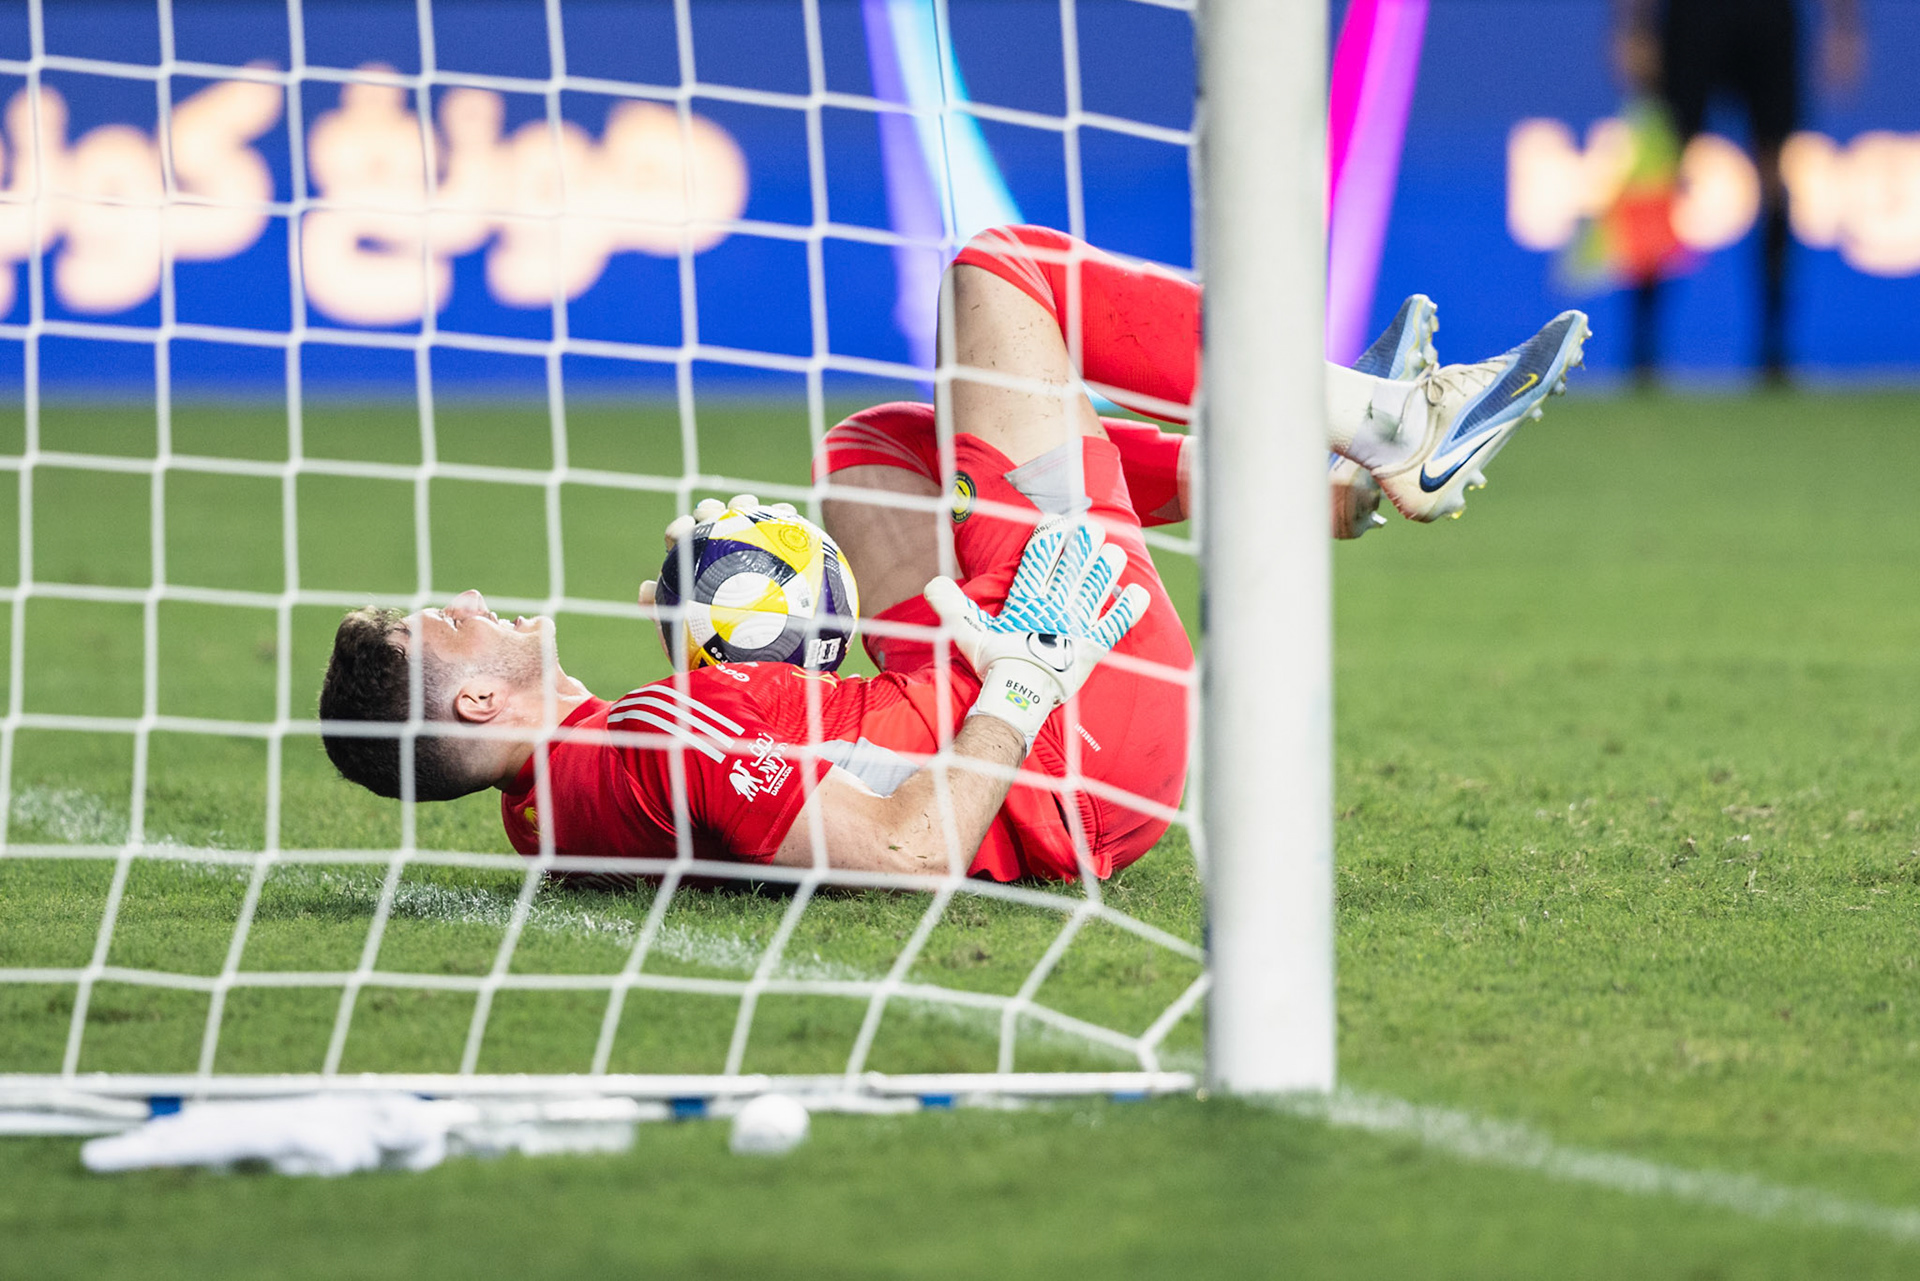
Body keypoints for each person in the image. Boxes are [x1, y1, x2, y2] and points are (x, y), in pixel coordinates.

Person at [318, 225, 1588, 882]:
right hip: (1073, 722)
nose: (468, 598)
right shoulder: (657, 744)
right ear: (476, 699)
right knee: (1001, 275)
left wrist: (723, 651)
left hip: (989, 700)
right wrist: (1030, 675)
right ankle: (1391, 424)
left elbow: (769, 753)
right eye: (440, 622)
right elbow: (904, 853)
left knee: (862, 450)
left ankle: (1316, 498)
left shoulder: (565, 799)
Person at [1614, 0, 1863, 383]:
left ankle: (1775, 346)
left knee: (1774, 174)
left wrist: (1843, 24)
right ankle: (1642, 346)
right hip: (1694, 15)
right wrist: (1634, 24)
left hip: (1766, 15)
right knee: (1664, 170)